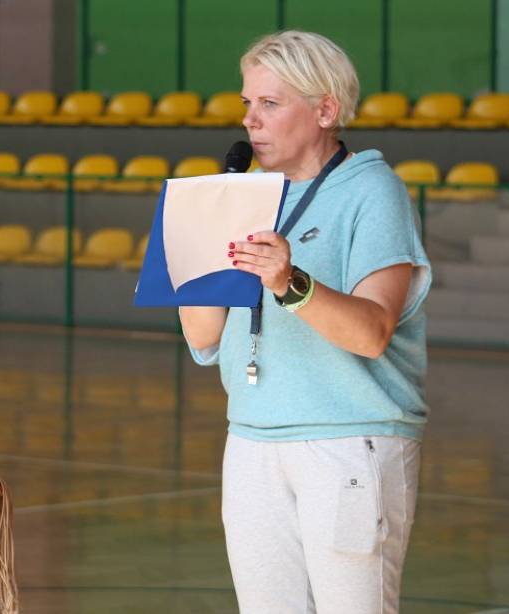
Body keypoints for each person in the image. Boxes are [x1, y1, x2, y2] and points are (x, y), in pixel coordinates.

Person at [178, 31, 432, 614]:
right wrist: (189, 253)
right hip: (250, 437)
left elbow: (371, 332)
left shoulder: (373, 191)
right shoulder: (245, 195)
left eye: (270, 103)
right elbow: (204, 337)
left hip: (349, 439)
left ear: (326, 110)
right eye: (246, 103)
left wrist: (289, 283)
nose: (250, 120)